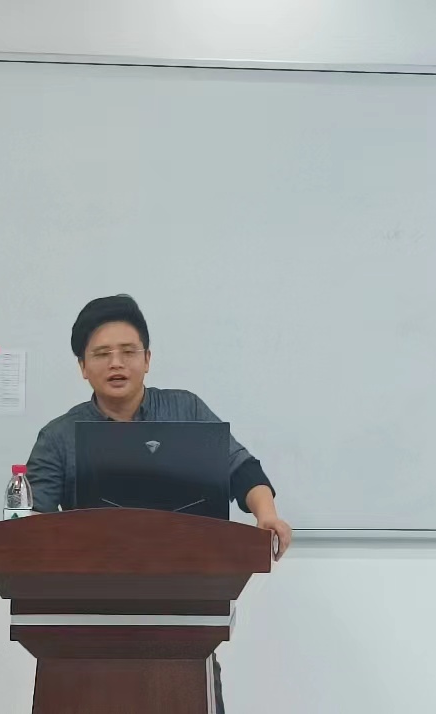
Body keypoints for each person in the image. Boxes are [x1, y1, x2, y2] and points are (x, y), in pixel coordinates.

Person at [25, 294, 292, 713]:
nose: (117, 364)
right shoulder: (58, 437)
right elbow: (33, 525)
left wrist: (267, 514)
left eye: (128, 352)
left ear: (147, 359)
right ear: (82, 367)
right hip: (92, 614)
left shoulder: (186, 411)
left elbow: (241, 469)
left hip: (183, 608)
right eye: (102, 354)